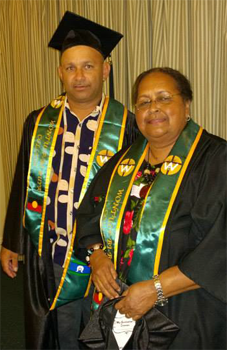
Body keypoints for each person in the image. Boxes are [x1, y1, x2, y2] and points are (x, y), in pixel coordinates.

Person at [0, 11, 138, 350]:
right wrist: (11, 241)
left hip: (104, 257)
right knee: (59, 329)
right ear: (60, 72)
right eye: (71, 67)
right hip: (50, 249)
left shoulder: (128, 126)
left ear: (105, 70)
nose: (79, 76)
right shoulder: (38, 121)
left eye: (88, 66)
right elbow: (23, 182)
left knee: (101, 329)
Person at [76, 67, 227, 349]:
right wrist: (96, 256)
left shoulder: (218, 161)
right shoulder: (125, 162)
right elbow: (89, 213)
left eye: (164, 98)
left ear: (186, 105)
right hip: (123, 304)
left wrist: (155, 290)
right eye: (144, 102)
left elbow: (219, 249)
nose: (153, 108)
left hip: (188, 310)